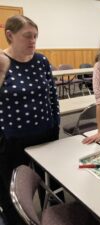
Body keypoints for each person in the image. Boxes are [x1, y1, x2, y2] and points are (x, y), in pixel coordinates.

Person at [0, 15, 60, 225]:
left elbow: (52, 96)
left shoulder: (41, 61)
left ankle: (55, 217)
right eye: (27, 36)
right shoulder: (1, 63)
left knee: (51, 183)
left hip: (46, 135)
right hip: (12, 140)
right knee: (13, 188)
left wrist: (55, 125)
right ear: (10, 35)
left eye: (35, 36)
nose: (33, 40)